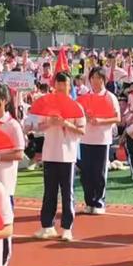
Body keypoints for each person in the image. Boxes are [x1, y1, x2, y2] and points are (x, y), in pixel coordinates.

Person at [34, 72, 86, 242]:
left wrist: (65, 123)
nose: (61, 88)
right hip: (49, 153)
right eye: (58, 85)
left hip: (67, 155)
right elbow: (39, 127)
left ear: (69, 86)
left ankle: (66, 228)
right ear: (54, 86)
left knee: (67, 193)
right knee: (49, 192)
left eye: (64, 85)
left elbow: (82, 130)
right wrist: (50, 122)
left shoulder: (76, 107)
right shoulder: (47, 104)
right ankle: (47, 226)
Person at [78, 67, 120, 215]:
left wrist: (101, 121)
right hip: (85, 139)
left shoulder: (110, 97)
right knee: (86, 174)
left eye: (99, 78)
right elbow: (77, 115)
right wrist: (85, 118)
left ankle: (99, 202)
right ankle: (89, 202)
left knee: (99, 173)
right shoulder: (84, 97)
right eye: (93, 78)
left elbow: (117, 118)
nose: (96, 81)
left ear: (104, 80)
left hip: (102, 140)